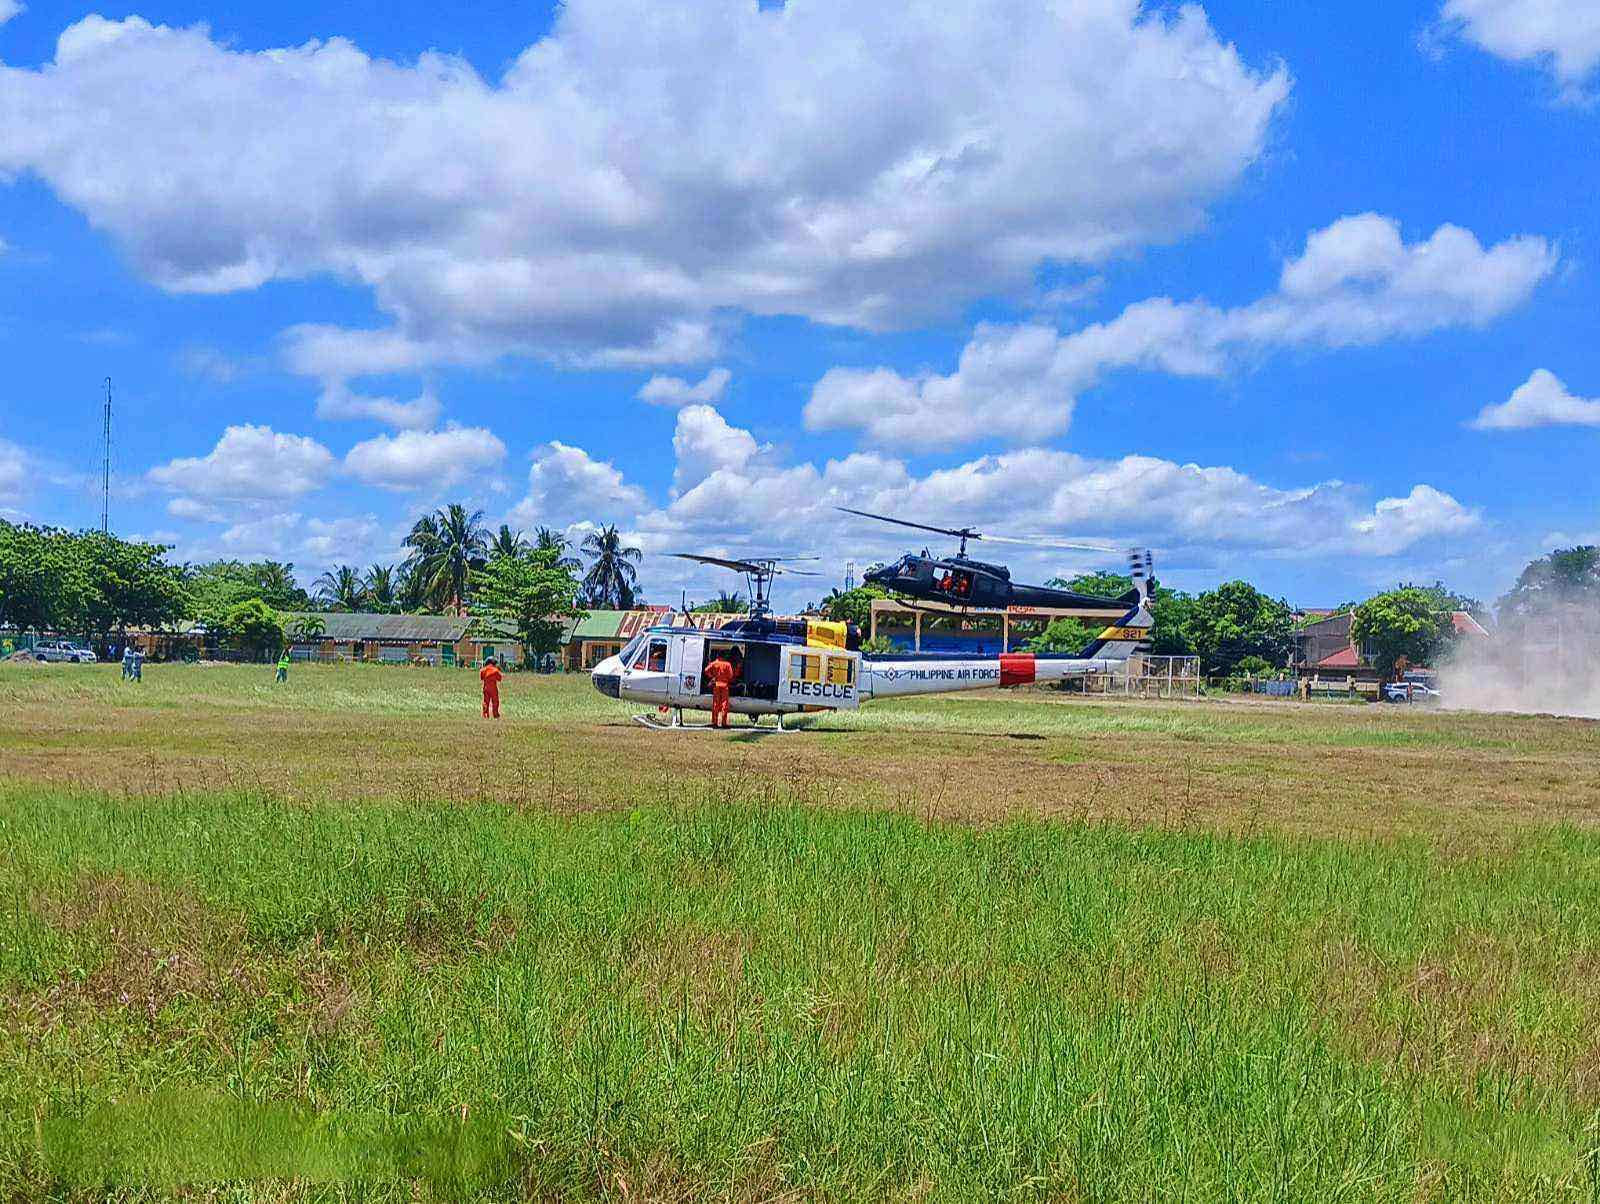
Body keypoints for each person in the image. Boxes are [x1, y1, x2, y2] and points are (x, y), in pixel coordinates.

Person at [704, 649, 736, 729]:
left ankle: (714, 723)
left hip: (716, 685)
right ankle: (723, 723)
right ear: (725, 656)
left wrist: (712, 676)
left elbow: (706, 670)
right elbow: (731, 676)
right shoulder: (727, 664)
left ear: (717, 655)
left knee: (715, 704)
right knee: (724, 704)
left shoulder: (714, 663)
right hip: (725, 686)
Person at [480, 655, 504, 719]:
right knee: (495, 702)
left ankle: (485, 715)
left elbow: (482, 678)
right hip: (493, 689)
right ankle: (495, 715)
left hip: (486, 688)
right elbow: (500, 678)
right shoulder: (495, 670)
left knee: (486, 702)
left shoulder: (483, 670)